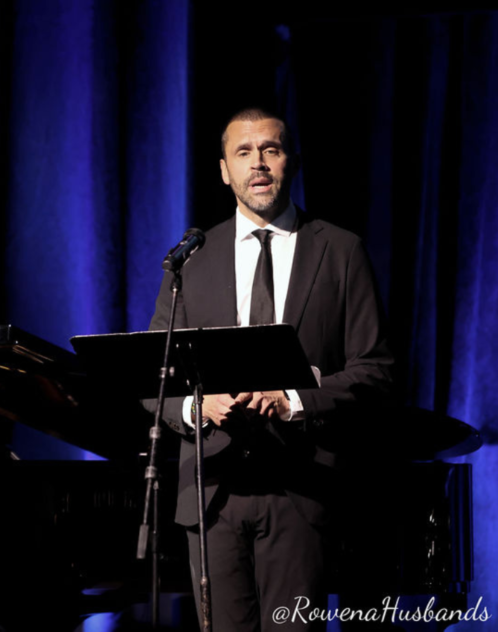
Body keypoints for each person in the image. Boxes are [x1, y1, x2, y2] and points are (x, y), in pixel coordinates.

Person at [149, 108, 393, 632]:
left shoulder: (340, 250)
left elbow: (375, 370)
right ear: (223, 170)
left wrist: (294, 399)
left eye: (271, 150)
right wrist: (196, 406)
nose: (257, 164)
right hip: (211, 492)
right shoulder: (191, 259)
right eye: (243, 152)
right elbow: (155, 381)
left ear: (292, 162)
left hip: (301, 490)